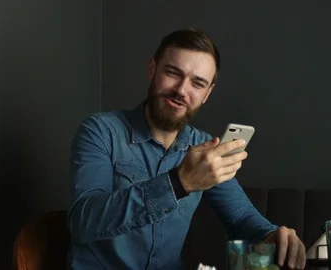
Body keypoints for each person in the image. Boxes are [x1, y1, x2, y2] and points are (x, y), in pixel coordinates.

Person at [67, 28, 306, 270]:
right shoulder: (100, 131)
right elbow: (83, 221)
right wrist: (178, 183)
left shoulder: (205, 149)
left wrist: (272, 235)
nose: (181, 90)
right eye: (173, 73)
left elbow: (241, 217)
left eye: (197, 83)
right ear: (152, 69)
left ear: (207, 94)